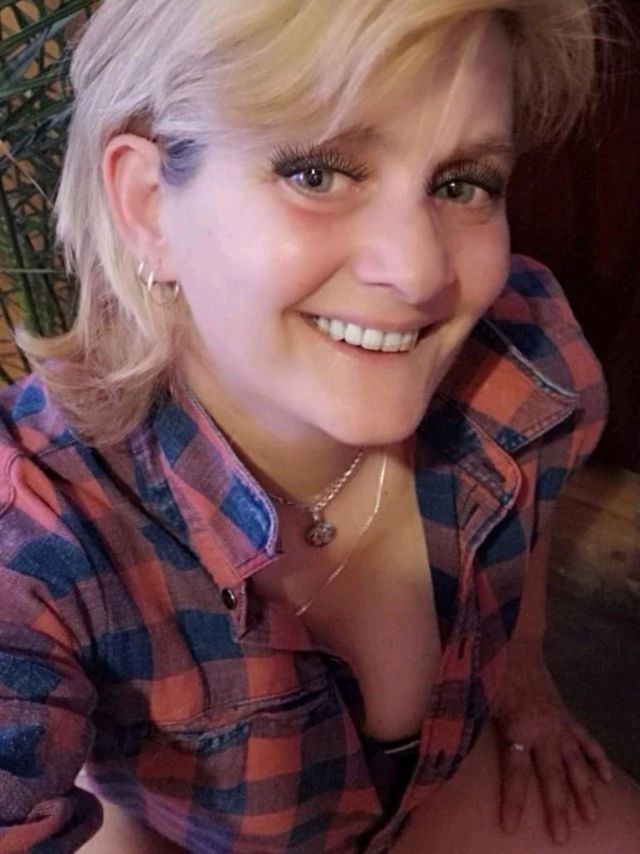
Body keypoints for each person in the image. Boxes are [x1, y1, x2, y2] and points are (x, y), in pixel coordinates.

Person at [0, 0, 639, 852]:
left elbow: (528, 531)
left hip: (440, 791)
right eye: (318, 174)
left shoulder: (525, 369)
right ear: (148, 207)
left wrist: (525, 674)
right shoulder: (38, 533)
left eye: (462, 183)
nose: (419, 273)